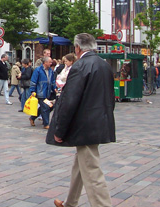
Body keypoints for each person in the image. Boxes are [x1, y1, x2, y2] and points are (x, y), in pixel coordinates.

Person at [50, 33, 114, 207]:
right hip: (100, 122)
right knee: (81, 164)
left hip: (85, 125)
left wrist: (60, 130)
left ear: (77, 48)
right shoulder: (104, 65)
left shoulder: (80, 66)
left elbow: (70, 100)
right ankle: (70, 203)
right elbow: (110, 97)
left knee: (92, 170)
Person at [28, 57, 56, 129]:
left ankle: (32, 117)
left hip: (48, 92)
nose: (51, 63)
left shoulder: (50, 71)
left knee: (49, 106)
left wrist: (55, 88)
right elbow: (33, 81)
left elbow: (52, 81)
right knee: (45, 107)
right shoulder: (38, 70)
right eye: (49, 62)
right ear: (45, 62)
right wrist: (33, 90)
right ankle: (46, 124)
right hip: (40, 92)